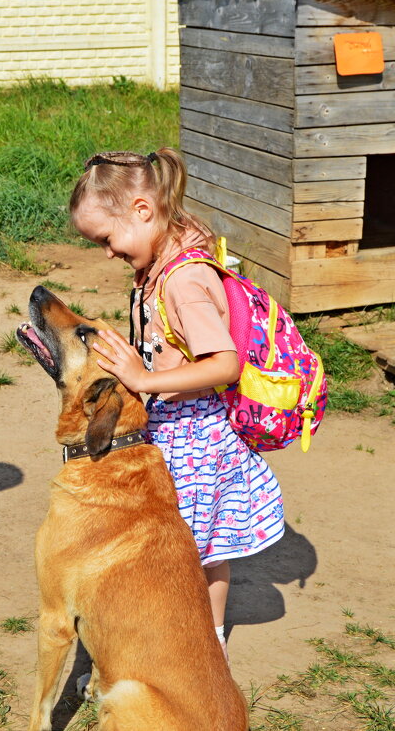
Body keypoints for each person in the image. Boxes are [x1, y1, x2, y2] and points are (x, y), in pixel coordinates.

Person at [69, 149, 286, 659]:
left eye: (107, 239)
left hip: (195, 439)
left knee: (193, 548)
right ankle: (193, 636)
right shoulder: (162, 264)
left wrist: (143, 380)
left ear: (143, 210)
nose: (106, 253)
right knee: (191, 545)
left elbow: (224, 365)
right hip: (172, 428)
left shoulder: (185, 280)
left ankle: (205, 643)